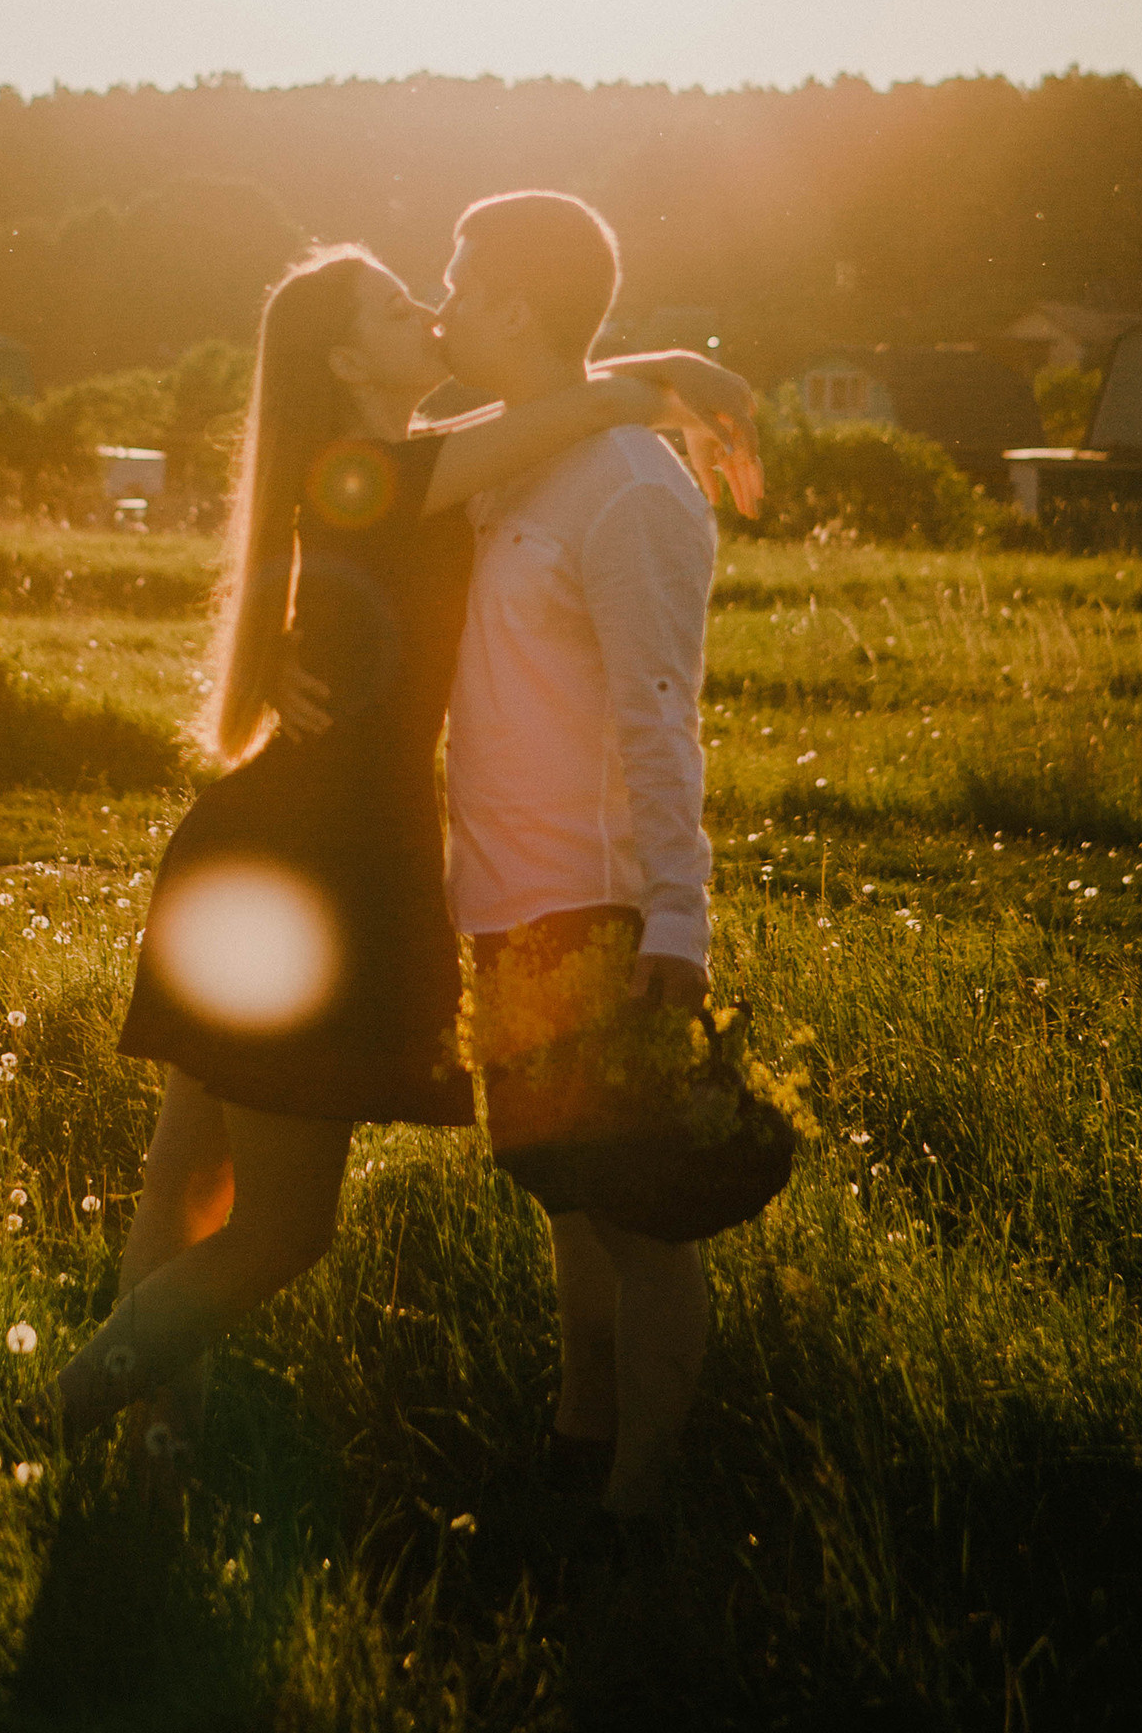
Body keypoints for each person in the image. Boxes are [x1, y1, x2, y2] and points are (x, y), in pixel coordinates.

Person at [52, 240, 753, 1449]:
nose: (427, 308)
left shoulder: (397, 466)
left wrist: (652, 368)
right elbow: (571, 401)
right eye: (395, 304)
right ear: (342, 357)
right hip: (303, 865)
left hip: (276, 842)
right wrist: (663, 373)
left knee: (188, 1174)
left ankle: (152, 1460)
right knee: (278, 1228)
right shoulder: (374, 471)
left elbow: (543, 400)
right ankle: (72, 1404)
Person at [429, 190, 727, 1521]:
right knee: (569, 1200)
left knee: (640, 1214)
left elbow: (659, 707)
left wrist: (678, 915)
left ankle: (638, 1511)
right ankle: (578, 1441)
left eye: (457, 275)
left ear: (511, 302)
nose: (440, 299)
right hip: (506, 905)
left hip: (597, 903)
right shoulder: (520, 452)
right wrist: (650, 375)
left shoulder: (631, 486)